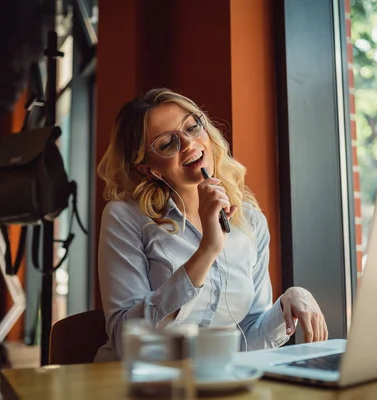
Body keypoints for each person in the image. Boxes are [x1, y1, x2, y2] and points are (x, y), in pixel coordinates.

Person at [94, 88, 327, 362]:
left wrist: (290, 301)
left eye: (193, 127)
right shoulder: (125, 218)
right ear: (150, 169)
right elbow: (126, 340)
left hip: (215, 383)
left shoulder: (249, 220)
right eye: (168, 144)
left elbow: (247, 335)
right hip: (143, 384)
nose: (190, 144)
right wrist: (207, 249)